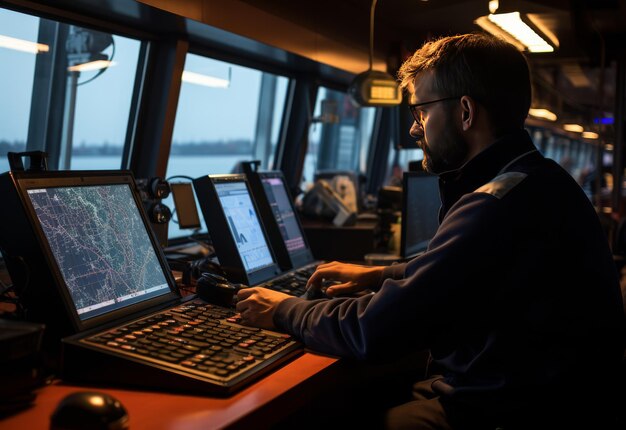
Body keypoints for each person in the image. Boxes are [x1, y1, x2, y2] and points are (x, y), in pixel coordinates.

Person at [236, 33, 625, 429]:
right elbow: (463, 270)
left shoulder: (494, 203)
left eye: (421, 110)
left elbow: (375, 329)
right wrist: (379, 274)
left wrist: (285, 310)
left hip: (511, 411)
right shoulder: (537, 179)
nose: (414, 129)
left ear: (466, 112)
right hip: (551, 397)